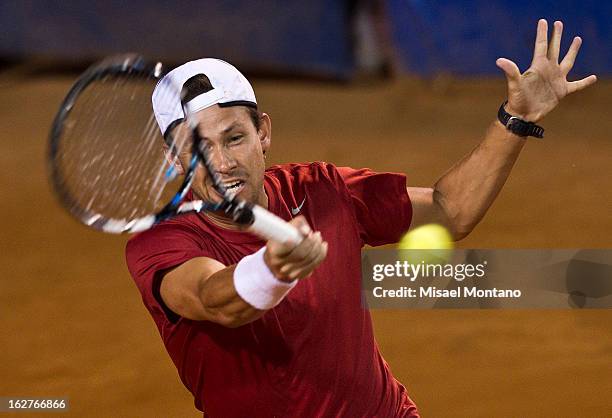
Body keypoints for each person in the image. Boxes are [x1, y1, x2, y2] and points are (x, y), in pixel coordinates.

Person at [126, 19, 595, 417]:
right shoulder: (160, 244)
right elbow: (217, 300)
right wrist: (272, 270)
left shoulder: (323, 190)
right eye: (199, 149)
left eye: (234, 139)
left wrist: (516, 117)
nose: (222, 163)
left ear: (263, 133)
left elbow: (450, 211)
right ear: (173, 156)